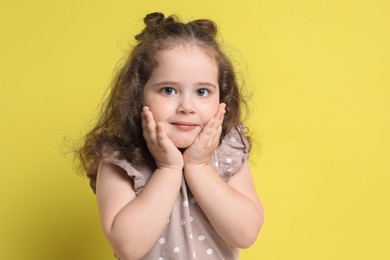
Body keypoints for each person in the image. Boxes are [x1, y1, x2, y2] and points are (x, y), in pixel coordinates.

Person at [77, 12, 264, 260]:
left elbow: (245, 233)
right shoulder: (120, 158)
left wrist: (198, 166)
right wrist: (168, 169)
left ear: (222, 97)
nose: (187, 106)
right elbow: (128, 247)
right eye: (168, 90)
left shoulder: (227, 151)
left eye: (202, 91)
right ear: (137, 96)